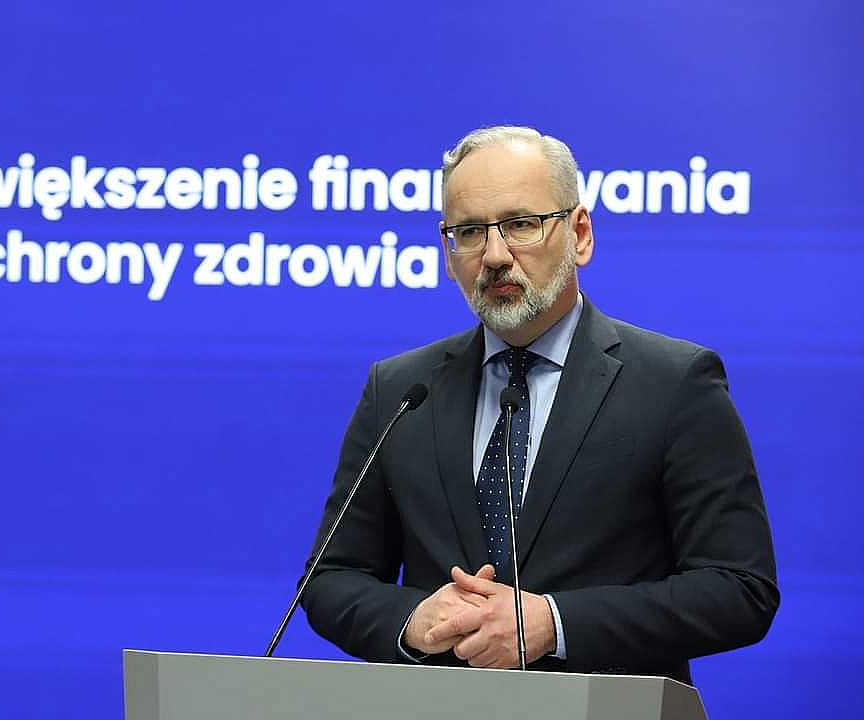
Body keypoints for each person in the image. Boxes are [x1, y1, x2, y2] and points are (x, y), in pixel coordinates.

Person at [299, 125, 778, 684]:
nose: (494, 255)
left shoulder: (674, 383)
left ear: (580, 234)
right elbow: (331, 578)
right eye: (469, 232)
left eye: (521, 224)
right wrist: (413, 619)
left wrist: (554, 623)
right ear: (447, 253)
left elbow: (739, 589)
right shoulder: (401, 389)